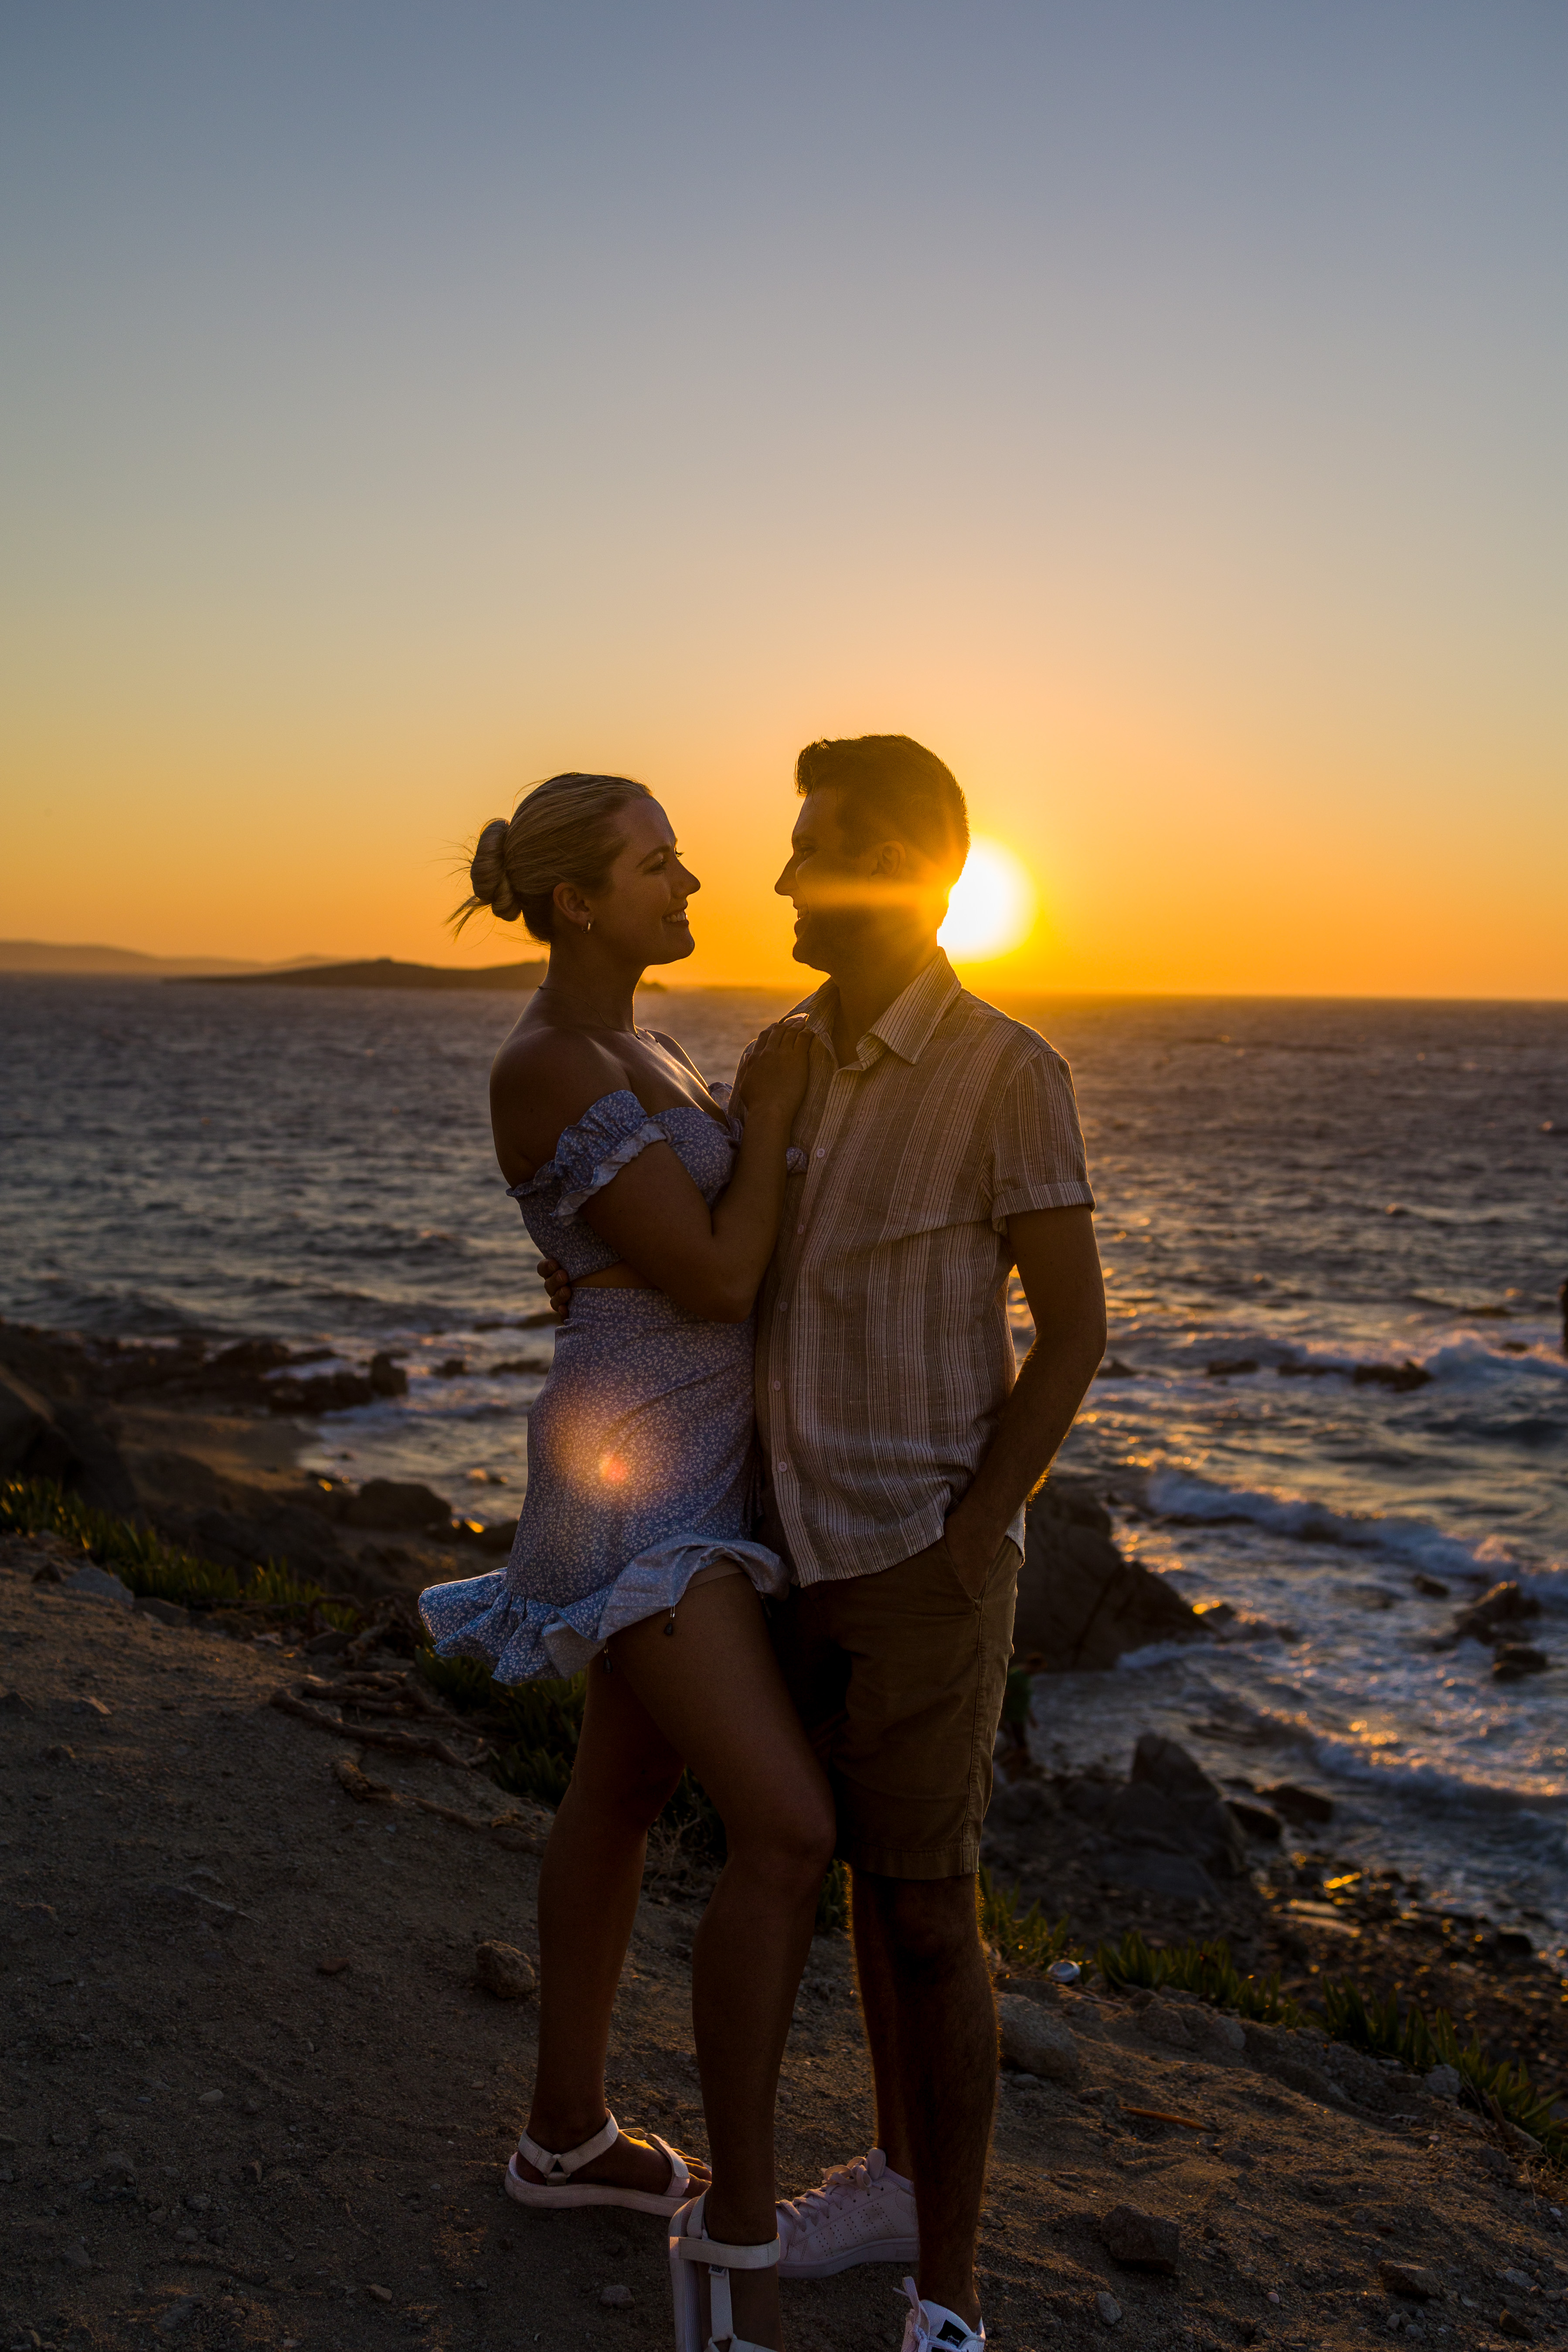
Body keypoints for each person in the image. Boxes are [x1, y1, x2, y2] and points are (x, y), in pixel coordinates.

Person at [544, 735, 1107, 2352]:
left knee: (930, 1916)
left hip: (919, 1559)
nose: (781, 878)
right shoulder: (781, 1054)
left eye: (813, 853)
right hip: (780, 1548)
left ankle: (952, 2294)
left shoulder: (1010, 1071)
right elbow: (720, 1265)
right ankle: (881, 2185)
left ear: (909, 874)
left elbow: (1071, 1330)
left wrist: (972, 1537)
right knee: (848, 1884)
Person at [419, 771, 837, 2352]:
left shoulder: (643, 1045)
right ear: (579, 899)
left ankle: (566, 2135)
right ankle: (734, 2246)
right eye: (658, 862)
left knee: (619, 1790)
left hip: (689, 1461)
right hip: (640, 1491)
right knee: (787, 1831)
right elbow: (721, 1281)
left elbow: (656, 1257)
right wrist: (781, 1108)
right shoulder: (546, 1065)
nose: (693, 880)